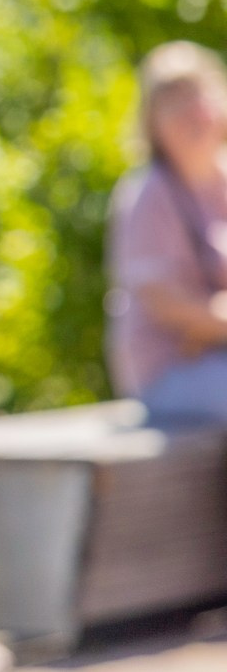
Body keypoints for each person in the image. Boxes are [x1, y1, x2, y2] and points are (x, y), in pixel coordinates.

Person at [106, 41, 227, 425]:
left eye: (196, 95)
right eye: (173, 102)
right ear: (152, 123)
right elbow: (167, 305)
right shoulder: (148, 194)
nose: (191, 112)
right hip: (170, 370)